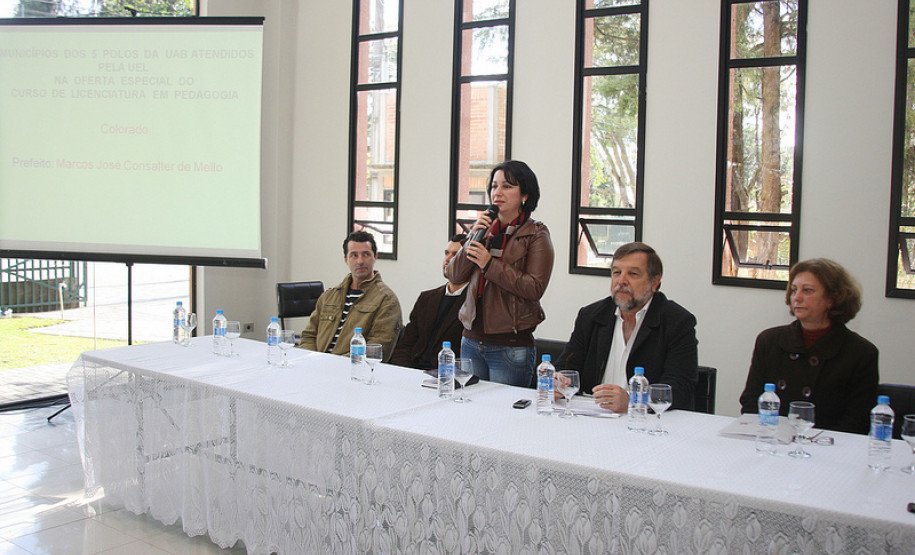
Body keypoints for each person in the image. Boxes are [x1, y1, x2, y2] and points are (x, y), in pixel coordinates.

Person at [445, 160, 554, 387]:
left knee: (504, 417)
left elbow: (534, 288)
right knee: (471, 413)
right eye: (494, 186)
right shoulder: (483, 231)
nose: (497, 192)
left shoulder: (536, 234)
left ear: (525, 194)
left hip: (510, 347)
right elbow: (454, 276)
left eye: (507, 186)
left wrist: (489, 265)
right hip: (471, 341)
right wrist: (473, 237)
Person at [739, 258, 878, 434]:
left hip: (830, 448)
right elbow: (751, 402)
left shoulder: (861, 352)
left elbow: (857, 421)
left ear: (833, 298)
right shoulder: (769, 340)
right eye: (794, 290)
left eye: (808, 291)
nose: (797, 297)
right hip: (773, 440)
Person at [557, 242, 698, 412]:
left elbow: (679, 387)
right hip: (592, 415)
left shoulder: (677, 322)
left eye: (633, 274)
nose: (621, 281)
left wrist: (634, 401)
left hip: (645, 422)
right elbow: (566, 367)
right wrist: (558, 381)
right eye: (616, 272)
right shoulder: (591, 316)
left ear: (655, 282)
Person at [299, 231, 402, 361]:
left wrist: (331, 364)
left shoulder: (387, 300)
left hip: (351, 372)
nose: (360, 261)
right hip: (315, 366)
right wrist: (311, 360)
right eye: (354, 255)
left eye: (366, 254)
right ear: (346, 259)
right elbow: (308, 336)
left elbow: (377, 349)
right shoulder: (329, 296)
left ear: (375, 257)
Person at [389, 234, 469, 370]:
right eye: (446, 253)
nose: (448, 259)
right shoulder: (426, 298)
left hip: (446, 376)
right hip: (413, 372)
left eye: (455, 255)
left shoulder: (474, 303)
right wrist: (404, 372)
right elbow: (405, 345)